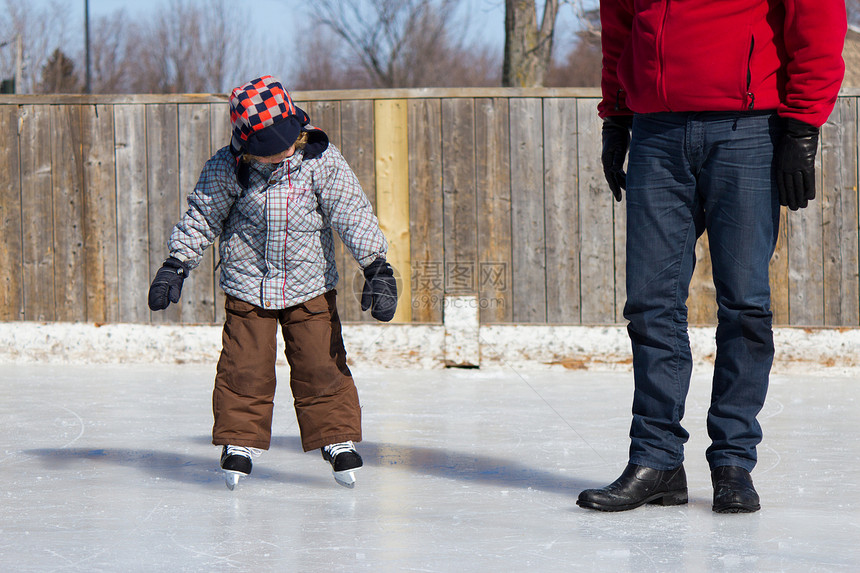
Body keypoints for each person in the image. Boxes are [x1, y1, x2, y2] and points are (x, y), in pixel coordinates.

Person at [577, 2, 846, 513]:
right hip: (657, 132)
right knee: (651, 303)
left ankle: (733, 463)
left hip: (747, 130)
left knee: (744, 303)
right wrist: (616, 115)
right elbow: (619, 26)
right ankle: (656, 461)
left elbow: (815, 19)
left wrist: (802, 125)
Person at [147, 75, 397, 489]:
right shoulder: (227, 167)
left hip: (310, 285)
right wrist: (176, 264)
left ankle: (336, 437)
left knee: (321, 363)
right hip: (248, 287)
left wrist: (377, 267)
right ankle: (239, 442)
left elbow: (352, 213)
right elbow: (202, 216)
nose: (280, 150)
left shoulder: (321, 162)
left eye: (285, 139)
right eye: (268, 146)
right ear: (247, 145)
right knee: (243, 367)